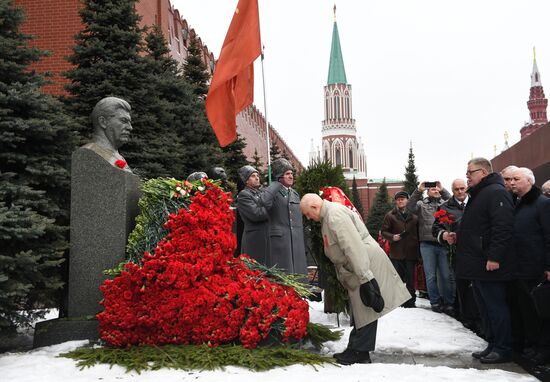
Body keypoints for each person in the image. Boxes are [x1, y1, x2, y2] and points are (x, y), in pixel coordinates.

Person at [300, 194, 410, 365]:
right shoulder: (329, 215)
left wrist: (366, 277)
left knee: (366, 308)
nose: (308, 218)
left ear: (315, 207)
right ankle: (356, 347)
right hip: (358, 265)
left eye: (307, 213)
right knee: (362, 309)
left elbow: (352, 247)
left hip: (362, 264)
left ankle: (360, 351)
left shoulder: (334, 216)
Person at [456, 157, 516, 364]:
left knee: (495, 307)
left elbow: (503, 227)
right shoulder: (481, 193)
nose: (467, 176)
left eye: (470, 172)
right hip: (478, 263)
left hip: (490, 264)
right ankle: (492, 343)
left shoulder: (496, 193)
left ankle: (503, 347)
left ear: (483, 172)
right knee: (485, 307)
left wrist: (494, 257)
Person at [509, 167, 550, 365]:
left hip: (537, 268)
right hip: (521, 267)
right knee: (527, 310)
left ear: (529, 181)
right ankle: (533, 345)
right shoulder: (519, 203)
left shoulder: (543, 204)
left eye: (517, 179)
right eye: (511, 179)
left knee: (540, 310)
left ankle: (544, 348)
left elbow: (549, 236)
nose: (512, 182)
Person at [433, 179, 480, 327]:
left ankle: (478, 317)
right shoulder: (444, 207)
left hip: (477, 252)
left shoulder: (477, 202)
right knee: (461, 284)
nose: (460, 192)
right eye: (456, 189)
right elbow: (435, 228)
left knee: (478, 286)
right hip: (457, 252)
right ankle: (465, 317)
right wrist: (444, 235)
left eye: (462, 188)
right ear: (452, 191)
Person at [407, 181, 453, 313]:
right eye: (432, 189)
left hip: (443, 244)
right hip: (427, 245)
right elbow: (409, 207)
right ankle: (435, 302)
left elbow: (454, 202)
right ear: (427, 192)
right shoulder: (421, 205)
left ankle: (449, 302)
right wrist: (418, 190)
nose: (435, 190)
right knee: (431, 276)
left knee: (446, 275)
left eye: (437, 189)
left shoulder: (445, 204)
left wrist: (443, 189)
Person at [381, 191, 421, 308]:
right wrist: (392, 237)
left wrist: (419, 252)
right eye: (398, 199)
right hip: (396, 252)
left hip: (411, 252)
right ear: (395, 201)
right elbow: (383, 232)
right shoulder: (390, 215)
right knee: (396, 278)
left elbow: (418, 234)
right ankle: (397, 300)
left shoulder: (414, 216)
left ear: (407, 200)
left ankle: (410, 301)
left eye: (403, 199)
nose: (400, 201)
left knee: (410, 278)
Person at [236, 165, 282, 265]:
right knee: (256, 272)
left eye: (257, 175)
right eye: (253, 176)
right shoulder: (244, 195)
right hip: (254, 240)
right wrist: (273, 210)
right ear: (246, 180)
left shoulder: (261, 193)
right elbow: (256, 214)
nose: (257, 178)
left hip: (266, 238)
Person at [268, 158, 307, 275]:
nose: (291, 176)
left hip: (296, 241)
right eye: (287, 174)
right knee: (284, 274)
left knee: (299, 274)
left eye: (291, 174)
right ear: (279, 176)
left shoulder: (295, 194)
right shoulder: (272, 193)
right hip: (280, 242)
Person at [83, 97, 133, 172]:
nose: (130, 127)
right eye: (123, 121)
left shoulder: (119, 157)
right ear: (103, 122)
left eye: (129, 122)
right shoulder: (89, 153)